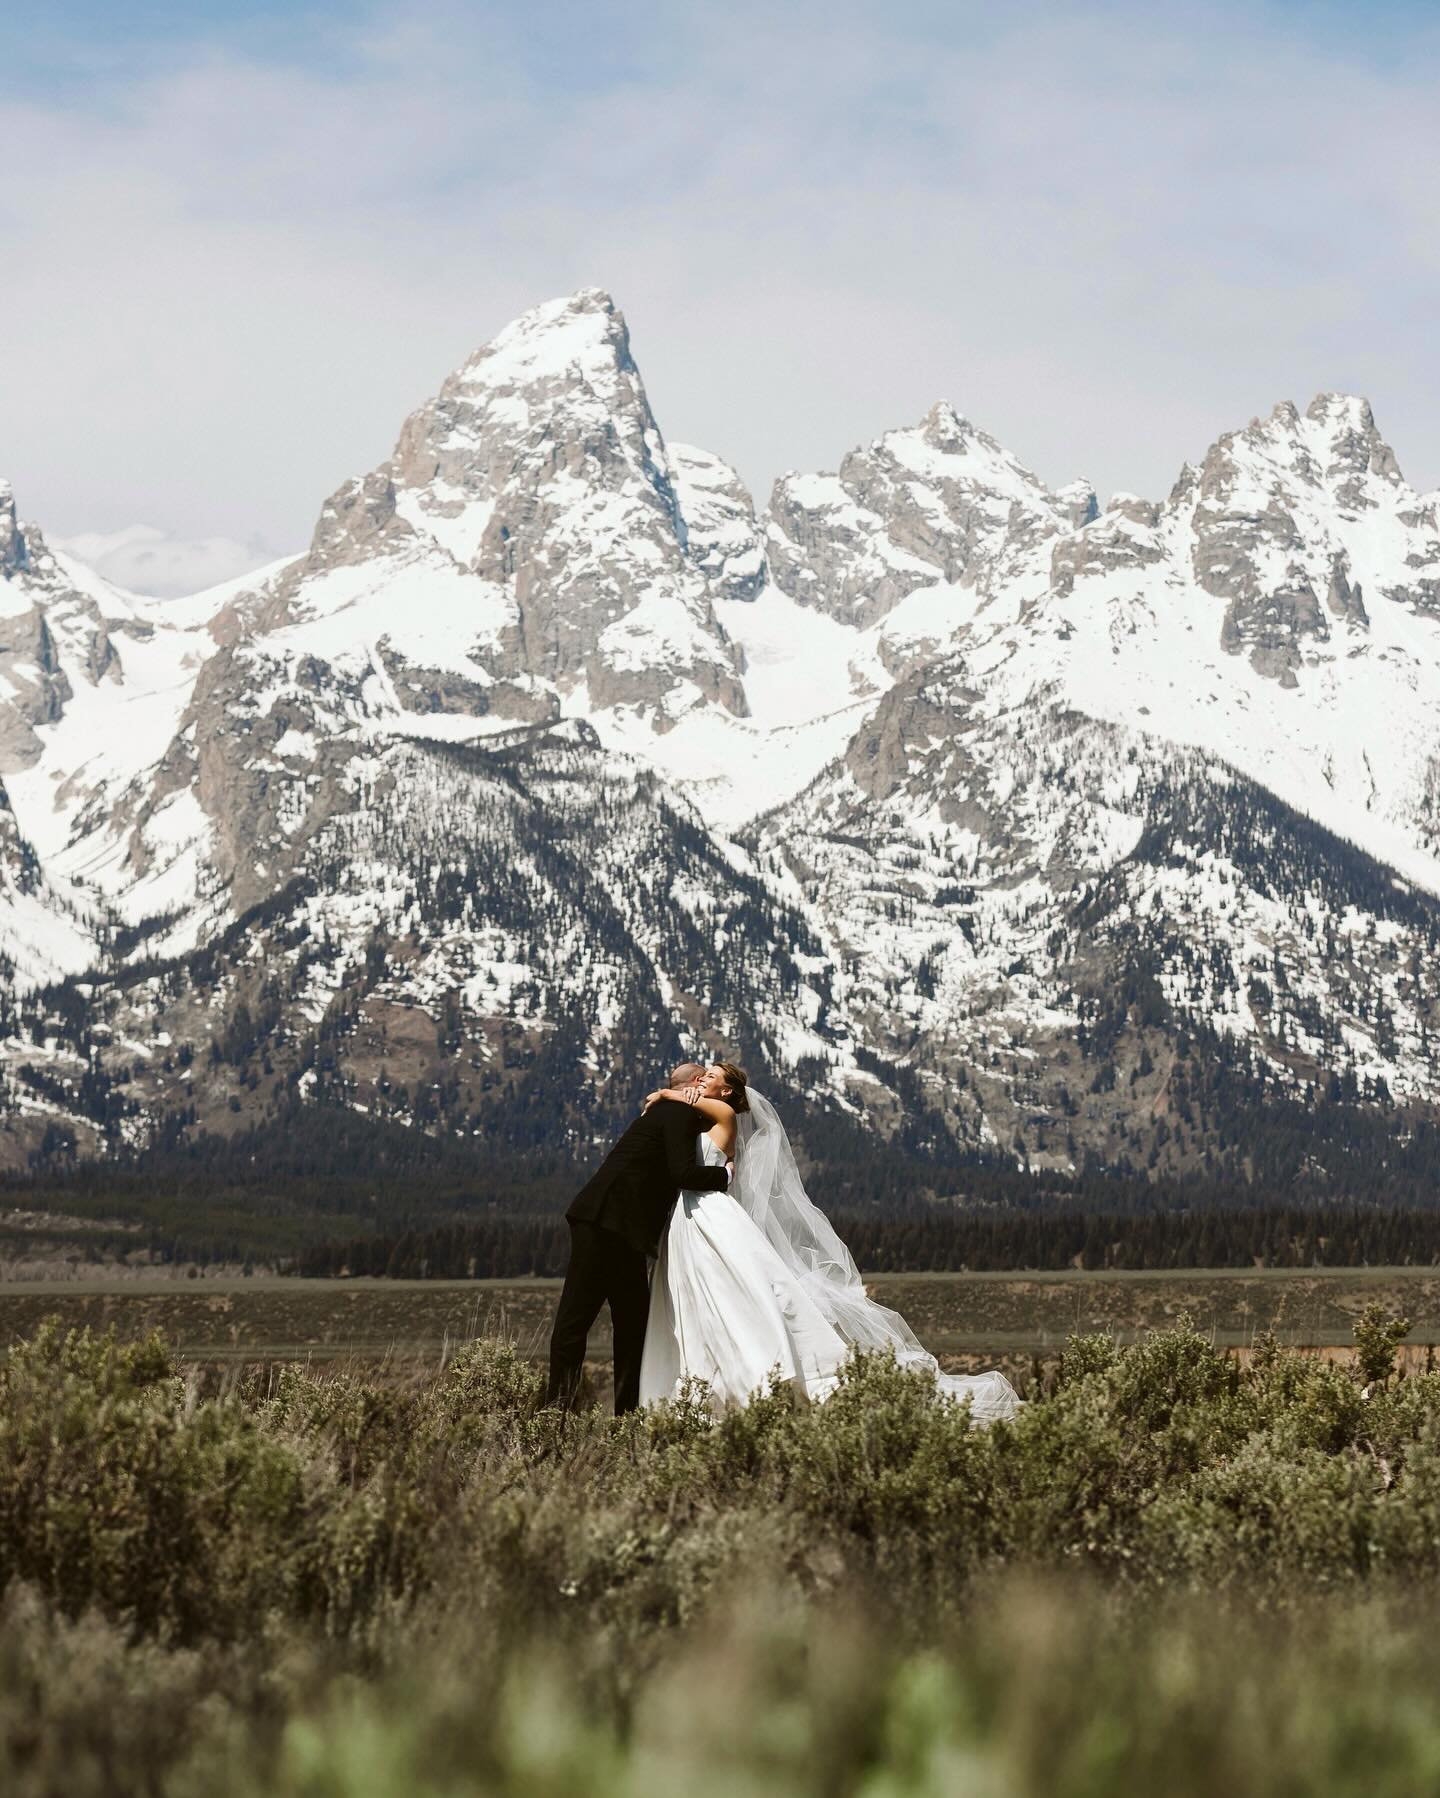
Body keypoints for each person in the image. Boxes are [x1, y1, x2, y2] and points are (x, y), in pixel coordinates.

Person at [638, 1062, 1021, 1424]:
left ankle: (763, 1377)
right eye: (701, 1077)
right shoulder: (696, 1116)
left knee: (741, 1295)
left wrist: (664, 1095)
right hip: (686, 1219)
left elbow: (683, 1108)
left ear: (727, 1089)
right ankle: (709, 1386)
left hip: (712, 1214)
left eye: (711, 1076)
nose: (703, 1079)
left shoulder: (723, 1116)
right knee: (699, 1300)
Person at [546, 1060, 726, 1414]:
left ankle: (624, 1418)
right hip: (605, 1223)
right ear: (691, 1083)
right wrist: (725, 1176)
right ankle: (557, 1413)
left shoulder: (668, 1109)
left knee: (631, 1327)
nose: (706, 1082)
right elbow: (683, 1173)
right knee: (578, 1322)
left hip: (620, 1229)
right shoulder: (678, 1113)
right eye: (702, 1077)